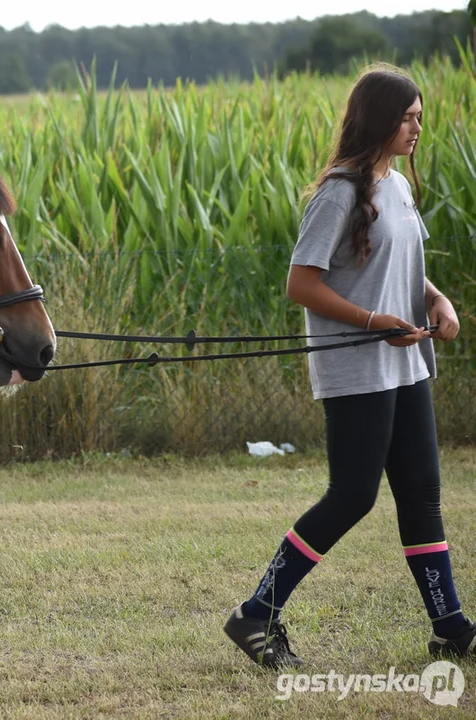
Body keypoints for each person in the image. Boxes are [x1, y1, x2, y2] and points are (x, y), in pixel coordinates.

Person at [223, 64, 469, 668]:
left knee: (422, 495)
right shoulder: (339, 192)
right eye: (407, 117)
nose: (417, 127)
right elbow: (301, 283)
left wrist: (434, 298)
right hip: (358, 366)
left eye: (419, 116)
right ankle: (256, 613)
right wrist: (371, 322)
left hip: (406, 364)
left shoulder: (398, 187)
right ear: (379, 120)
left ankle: (451, 628)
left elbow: (401, 262)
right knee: (354, 495)